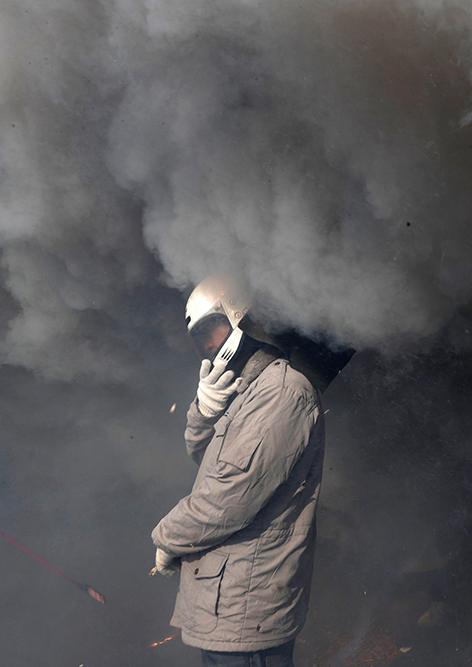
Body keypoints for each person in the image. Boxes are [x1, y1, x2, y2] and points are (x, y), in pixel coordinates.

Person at [151, 275, 326, 667]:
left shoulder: (282, 393)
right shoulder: (246, 390)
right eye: (201, 339)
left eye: (213, 331)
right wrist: (204, 412)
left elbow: (230, 495)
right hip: (226, 603)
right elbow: (205, 459)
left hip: (248, 606)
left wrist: (167, 537)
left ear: (242, 318)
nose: (210, 347)